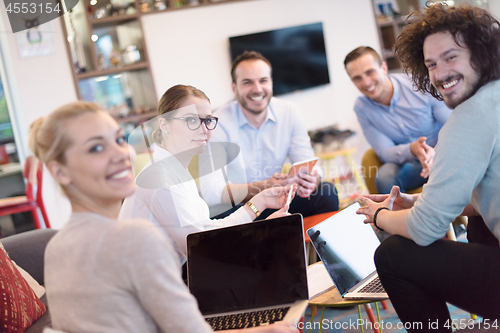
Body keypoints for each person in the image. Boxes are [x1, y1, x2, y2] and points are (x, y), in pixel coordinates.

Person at [32, 101, 298, 333]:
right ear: (60, 172)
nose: (120, 154)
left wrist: (257, 207)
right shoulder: (136, 238)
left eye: (119, 139)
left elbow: (202, 233)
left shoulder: (55, 247)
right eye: (96, 148)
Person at [356, 4, 500, 331]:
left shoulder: (469, 117)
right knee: (478, 223)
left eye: (451, 57)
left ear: (481, 52)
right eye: (431, 64)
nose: (439, 74)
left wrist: (379, 216)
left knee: (392, 253)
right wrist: (417, 202)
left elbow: (425, 230)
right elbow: (488, 199)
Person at [120, 85, 296, 264]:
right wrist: (266, 230)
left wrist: (261, 201)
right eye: (191, 120)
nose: (204, 129)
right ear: (164, 125)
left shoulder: (175, 170)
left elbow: (207, 230)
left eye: (208, 120)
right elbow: (202, 253)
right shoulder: (161, 178)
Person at [199, 51, 339, 219]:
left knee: (326, 192)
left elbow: (308, 165)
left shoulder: (289, 112)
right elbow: (210, 192)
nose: (257, 89)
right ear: (234, 88)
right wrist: (263, 187)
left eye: (263, 81)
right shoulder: (217, 124)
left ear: (271, 83)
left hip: (277, 201)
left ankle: (308, 244)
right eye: (247, 82)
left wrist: (311, 181)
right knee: (217, 216)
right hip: (239, 210)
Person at [344, 46, 452, 194]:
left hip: (443, 153)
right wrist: (412, 149)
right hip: (408, 161)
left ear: (383, 67)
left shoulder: (420, 85)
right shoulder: (362, 108)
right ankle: (398, 217)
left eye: (370, 72)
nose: (366, 82)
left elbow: (453, 125)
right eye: (357, 78)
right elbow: (384, 151)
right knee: (384, 177)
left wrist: (437, 152)